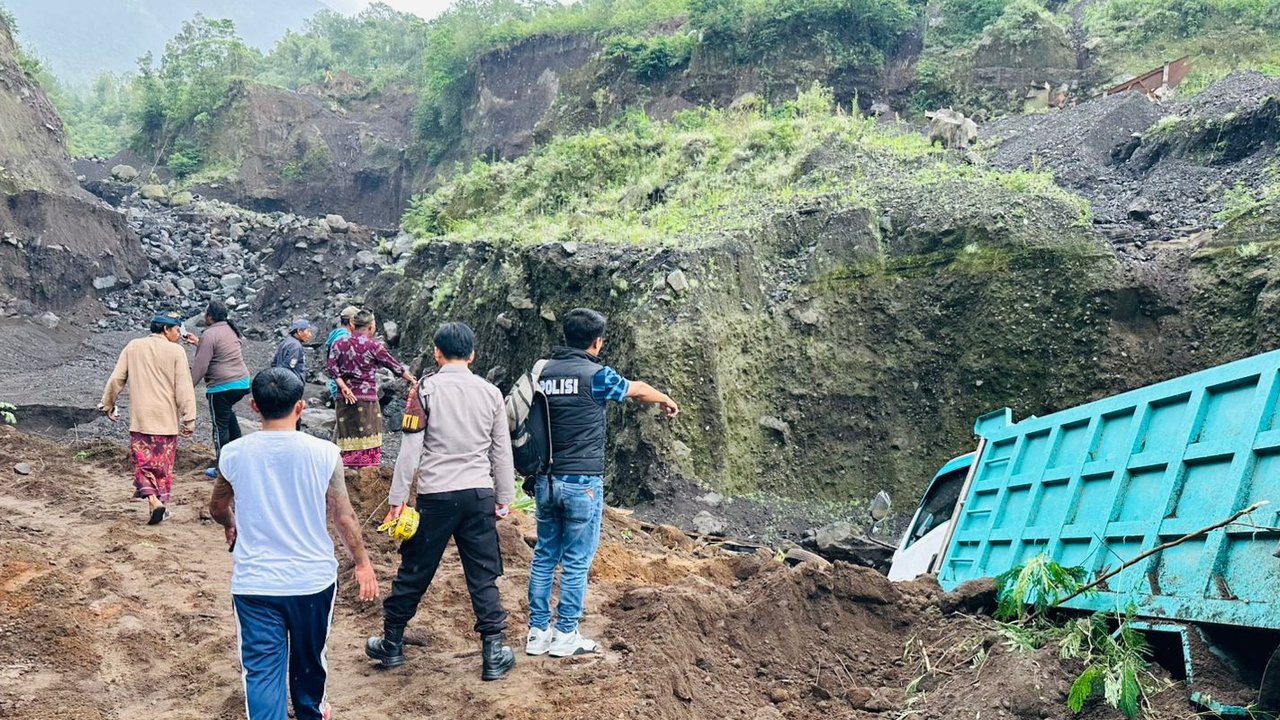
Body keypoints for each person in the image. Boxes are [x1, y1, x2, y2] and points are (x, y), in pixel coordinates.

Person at [208, 368, 379, 720]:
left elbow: (218, 507)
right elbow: (342, 516)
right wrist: (362, 563)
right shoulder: (324, 453)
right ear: (300, 407)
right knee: (308, 661)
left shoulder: (233, 453)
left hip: (255, 583)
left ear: (254, 406)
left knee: (261, 672)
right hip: (311, 581)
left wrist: (230, 524)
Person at [366, 322, 516, 681]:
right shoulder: (491, 392)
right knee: (483, 575)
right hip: (479, 494)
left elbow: (410, 451)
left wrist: (397, 499)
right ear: (473, 354)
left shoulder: (424, 390)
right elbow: (501, 450)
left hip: (436, 495)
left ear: (436, 352)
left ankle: (392, 644)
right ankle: (493, 654)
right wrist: (505, 496)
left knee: (415, 569)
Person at [524, 308, 678, 657]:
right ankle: (565, 635)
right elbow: (636, 390)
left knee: (545, 555)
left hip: (545, 480)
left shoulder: (542, 372)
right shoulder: (596, 376)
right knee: (577, 560)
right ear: (597, 342)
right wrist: (666, 398)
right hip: (582, 482)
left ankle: (537, 633)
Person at [98, 311, 198, 525]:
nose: (179, 335)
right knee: (162, 466)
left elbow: (117, 379)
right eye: (177, 330)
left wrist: (108, 404)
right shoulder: (176, 352)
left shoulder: (133, 346)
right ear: (166, 329)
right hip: (166, 422)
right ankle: (156, 502)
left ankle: (154, 502)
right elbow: (183, 387)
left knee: (143, 464)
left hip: (142, 420)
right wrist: (189, 418)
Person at [325, 309, 415, 468]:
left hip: (344, 401)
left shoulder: (338, 344)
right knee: (368, 440)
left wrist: (344, 387)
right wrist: (412, 380)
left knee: (346, 437)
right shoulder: (374, 346)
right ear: (370, 327)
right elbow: (394, 366)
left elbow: (332, 369)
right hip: (366, 401)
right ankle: (366, 477)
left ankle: (346, 474)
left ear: (353, 325)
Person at [191, 300, 251, 474]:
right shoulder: (231, 329)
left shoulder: (209, 334)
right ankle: (240, 461)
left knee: (219, 427)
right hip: (241, 382)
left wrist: (188, 387)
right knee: (228, 418)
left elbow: (200, 366)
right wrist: (198, 342)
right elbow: (222, 350)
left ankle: (223, 469)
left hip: (222, 386)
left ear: (210, 317)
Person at [324, 306, 359, 405]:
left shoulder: (336, 334)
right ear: (352, 321)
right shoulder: (344, 338)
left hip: (336, 383)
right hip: (343, 387)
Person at [272, 319, 314, 384]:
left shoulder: (285, 342)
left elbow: (274, 362)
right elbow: (290, 366)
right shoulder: (296, 346)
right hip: (291, 384)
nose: (310, 335)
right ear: (299, 331)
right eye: (308, 331)